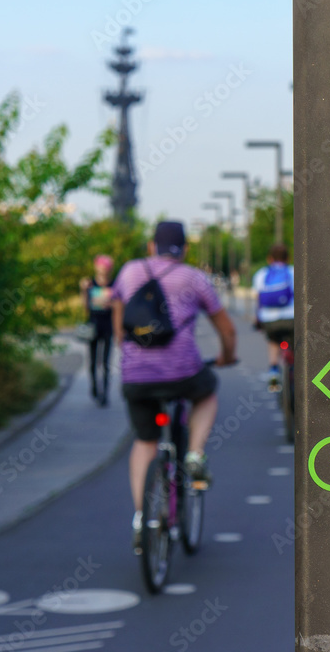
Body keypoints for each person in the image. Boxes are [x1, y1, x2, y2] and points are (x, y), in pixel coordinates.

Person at [111, 221, 237, 552]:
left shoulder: (129, 271)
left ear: (151, 246)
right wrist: (226, 356)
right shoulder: (194, 278)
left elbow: (118, 315)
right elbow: (227, 330)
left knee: (144, 442)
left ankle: (141, 518)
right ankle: (194, 454)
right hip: (182, 372)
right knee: (207, 393)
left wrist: (125, 349)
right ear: (185, 250)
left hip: (136, 375)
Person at [252, 244, 294, 388]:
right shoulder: (293, 272)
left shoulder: (261, 274)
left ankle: (274, 371)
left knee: (273, 340)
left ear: (269, 259)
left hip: (269, 321)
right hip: (291, 320)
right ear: (287, 258)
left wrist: (257, 320)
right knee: (296, 342)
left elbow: (258, 300)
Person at [81, 255, 115, 406]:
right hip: (93, 327)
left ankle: (105, 394)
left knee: (106, 363)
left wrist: (111, 304)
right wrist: (83, 291)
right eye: (101, 267)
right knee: (93, 361)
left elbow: (119, 306)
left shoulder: (114, 284)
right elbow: (85, 307)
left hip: (108, 327)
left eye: (106, 267)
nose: (103, 270)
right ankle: (94, 388)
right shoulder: (90, 283)